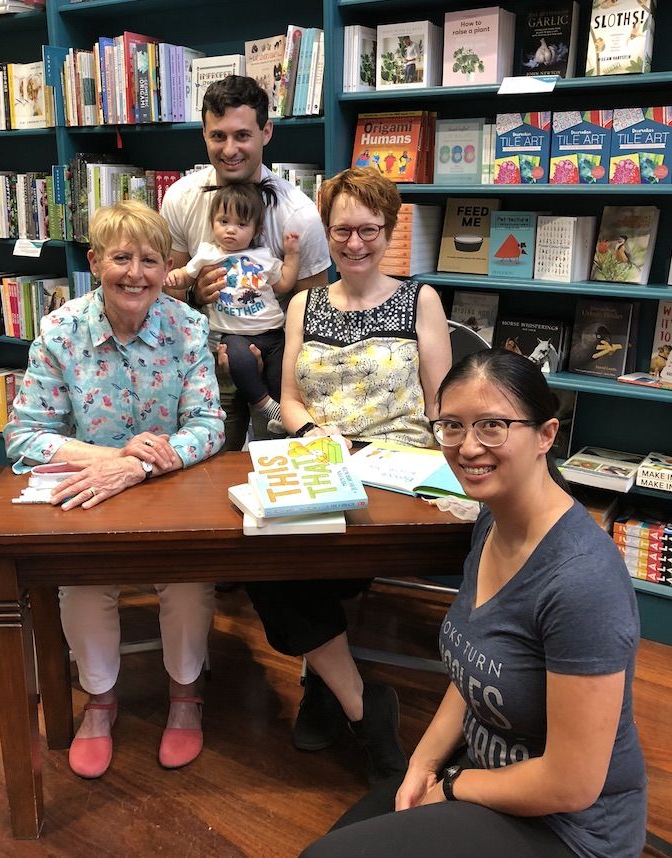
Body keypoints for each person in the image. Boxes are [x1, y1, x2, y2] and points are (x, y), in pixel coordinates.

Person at [301, 348, 646, 858]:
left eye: (492, 426)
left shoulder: (581, 582)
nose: (467, 447)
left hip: (571, 830)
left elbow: (570, 784)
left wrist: (450, 787)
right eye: (452, 427)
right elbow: (474, 675)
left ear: (546, 436)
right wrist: (421, 763)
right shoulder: (490, 523)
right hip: (486, 776)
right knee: (336, 843)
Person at [244, 167, 452, 783]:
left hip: (397, 465)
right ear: (326, 233)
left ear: (388, 231)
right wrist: (313, 435)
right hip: (322, 458)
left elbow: (440, 403)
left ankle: (326, 684)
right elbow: (290, 400)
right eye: (342, 230)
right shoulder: (304, 304)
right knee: (256, 551)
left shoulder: (422, 300)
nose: (355, 243)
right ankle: (361, 700)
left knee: (309, 562)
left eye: (369, 229)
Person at [4, 200, 225, 779]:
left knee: (189, 578)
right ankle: (99, 703)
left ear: (166, 265)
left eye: (149, 260)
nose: (135, 273)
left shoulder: (188, 326)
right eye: (120, 258)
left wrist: (144, 466)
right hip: (89, 492)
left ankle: (185, 696)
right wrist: (111, 459)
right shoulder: (60, 330)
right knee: (80, 583)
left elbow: (209, 423)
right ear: (96, 261)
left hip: (167, 489)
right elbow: (24, 436)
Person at [160, 73, 330, 451]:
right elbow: (168, 295)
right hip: (201, 364)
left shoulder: (297, 213)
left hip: (275, 361)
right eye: (218, 135)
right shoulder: (180, 197)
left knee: (277, 465)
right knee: (206, 469)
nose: (230, 148)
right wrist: (195, 294)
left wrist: (273, 360)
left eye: (242, 135)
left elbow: (313, 312)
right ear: (204, 134)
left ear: (266, 132)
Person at [165, 179, 301, 431]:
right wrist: (176, 277)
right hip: (233, 335)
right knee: (238, 360)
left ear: (256, 229)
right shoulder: (208, 253)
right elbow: (187, 274)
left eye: (241, 224)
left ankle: (282, 412)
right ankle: (266, 406)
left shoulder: (263, 256)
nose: (230, 230)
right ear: (212, 223)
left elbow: (283, 285)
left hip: (272, 334)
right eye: (223, 221)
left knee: (281, 376)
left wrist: (292, 255)